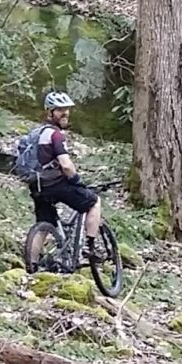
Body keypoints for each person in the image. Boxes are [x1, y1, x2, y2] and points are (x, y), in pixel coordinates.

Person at [24, 91, 106, 256]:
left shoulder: (37, 134)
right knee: (94, 202)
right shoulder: (55, 135)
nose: (65, 113)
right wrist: (76, 180)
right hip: (55, 184)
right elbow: (66, 165)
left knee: (44, 225)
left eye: (67, 109)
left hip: (37, 186)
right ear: (50, 112)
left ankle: (31, 267)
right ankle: (90, 247)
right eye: (60, 110)